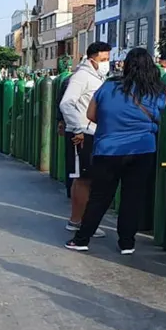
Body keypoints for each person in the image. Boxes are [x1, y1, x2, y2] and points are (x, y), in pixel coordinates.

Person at [66, 47, 166, 254]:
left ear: (127, 66)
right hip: (142, 150)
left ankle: (82, 239)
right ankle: (127, 243)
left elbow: (91, 115)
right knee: (132, 197)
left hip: (108, 150)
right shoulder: (156, 91)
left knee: (100, 197)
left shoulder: (108, 87)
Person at [58, 41, 112, 239]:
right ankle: (79, 221)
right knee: (83, 179)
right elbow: (66, 103)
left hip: (91, 132)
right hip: (82, 134)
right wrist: (78, 126)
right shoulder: (82, 77)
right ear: (92, 59)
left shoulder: (97, 77)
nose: (106, 63)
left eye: (108, 59)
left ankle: (79, 220)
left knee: (84, 178)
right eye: (103, 59)